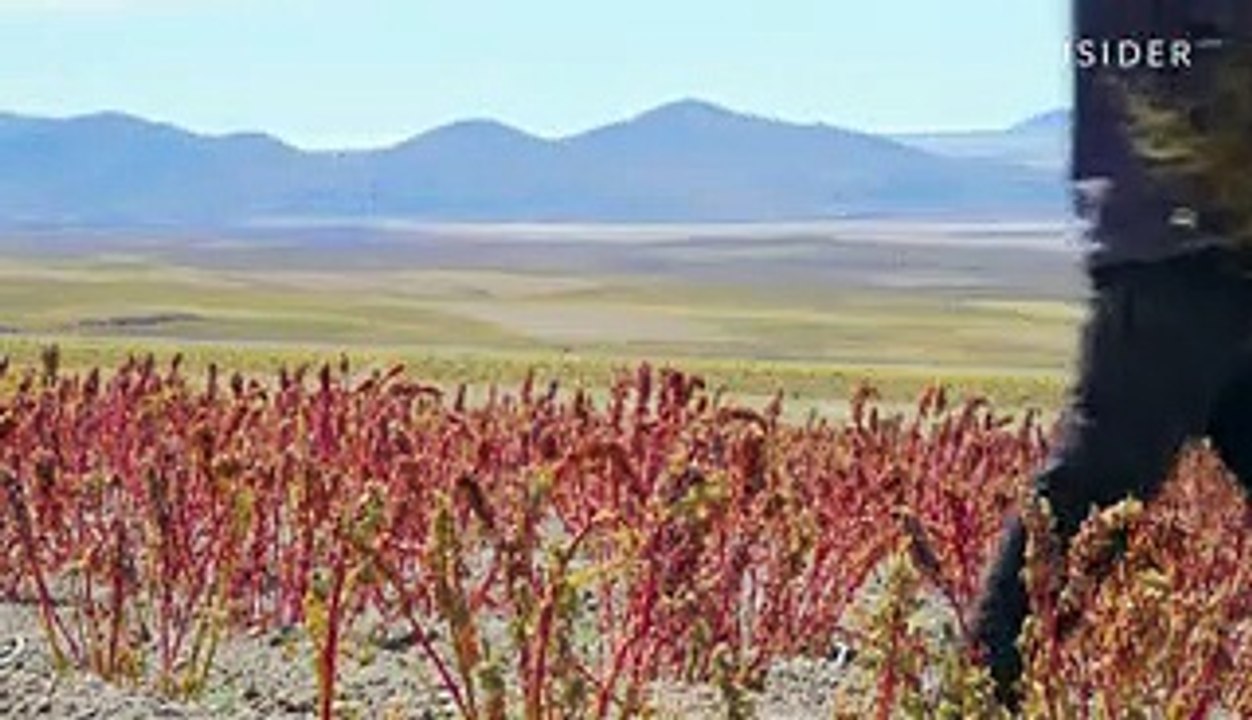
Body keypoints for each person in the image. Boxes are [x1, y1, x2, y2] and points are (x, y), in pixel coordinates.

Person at [969, 1, 1252, 710]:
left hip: (1195, 244)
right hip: (1179, 253)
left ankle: (982, 687)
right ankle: (981, 692)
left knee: (1091, 489)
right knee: (1092, 490)